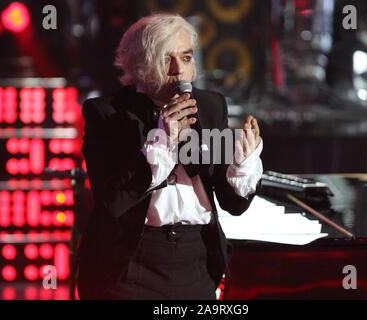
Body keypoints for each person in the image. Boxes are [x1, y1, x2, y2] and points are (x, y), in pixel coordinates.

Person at [76, 14, 263, 300]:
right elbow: (113, 199)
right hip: (130, 264)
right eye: (166, 59)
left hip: (196, 260)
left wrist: (242, 163)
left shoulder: (211, 106)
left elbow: (233, 203)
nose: (178, 71)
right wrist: (164, 138)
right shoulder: (106, 114)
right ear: (138, 64)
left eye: (186, 58)